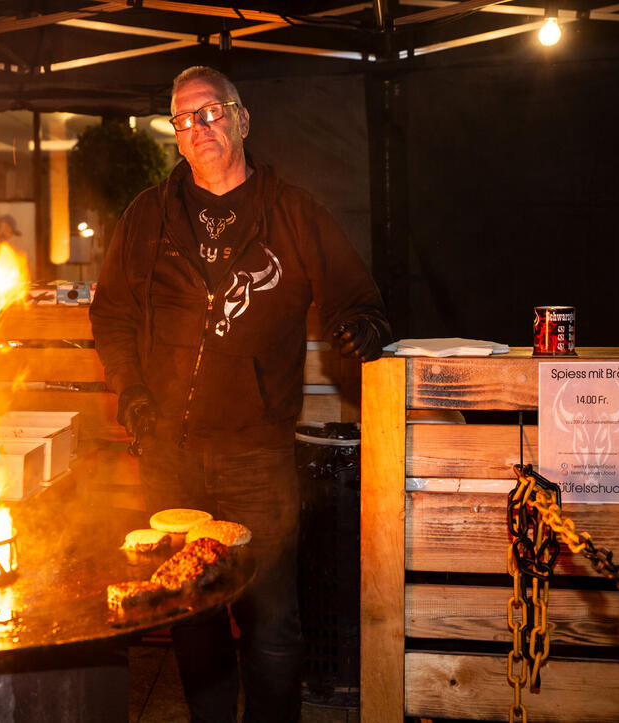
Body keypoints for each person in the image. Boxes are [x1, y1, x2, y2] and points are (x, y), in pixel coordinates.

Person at [89, 65, 390, 722]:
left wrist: (358, 328)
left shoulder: (294, 213)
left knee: (272, 625)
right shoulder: (148, 217)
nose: (198, 127)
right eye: (183, 118)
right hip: (169, 453)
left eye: (211, 112)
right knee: (190, 617)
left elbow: (359, 299)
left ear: (242, 119)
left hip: (258, 454)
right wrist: (133, 396)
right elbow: (109, 314)